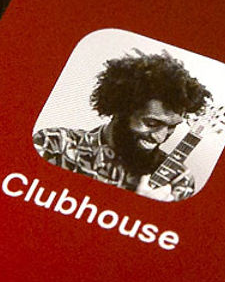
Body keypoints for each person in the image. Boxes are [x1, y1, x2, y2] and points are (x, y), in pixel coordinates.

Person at [33, 50, 212, 202]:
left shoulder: (178, 179)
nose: (160, 137)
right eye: (151, 123)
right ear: (121, 110)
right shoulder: (54, 145)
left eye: (172, 127)